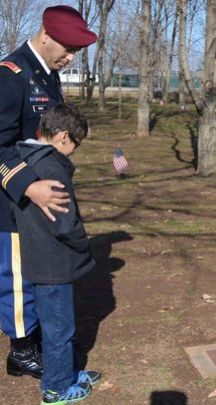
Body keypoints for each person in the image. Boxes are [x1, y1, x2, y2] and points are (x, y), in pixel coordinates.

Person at [0, 5, 96, 379]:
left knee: (35, 272)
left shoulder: (46, 76)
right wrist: (29, 186)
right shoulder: (12, 75)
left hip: (40, 200)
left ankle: (33, 343)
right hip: (13, 201)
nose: (70, 57)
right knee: (17, 278)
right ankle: (22, 352)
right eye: (67, 49)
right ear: (46, 36)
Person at [13, 103, 101, 404]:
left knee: (61, 324)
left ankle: (71, 372)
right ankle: (56, 389)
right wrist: (82, 243)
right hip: (53, 262)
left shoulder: (27, 159)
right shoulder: (51, 167)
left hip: (41, 258)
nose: (75, 150)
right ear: (63, 136)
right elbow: (65, 222)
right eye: (76, 143)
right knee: (58, 330)